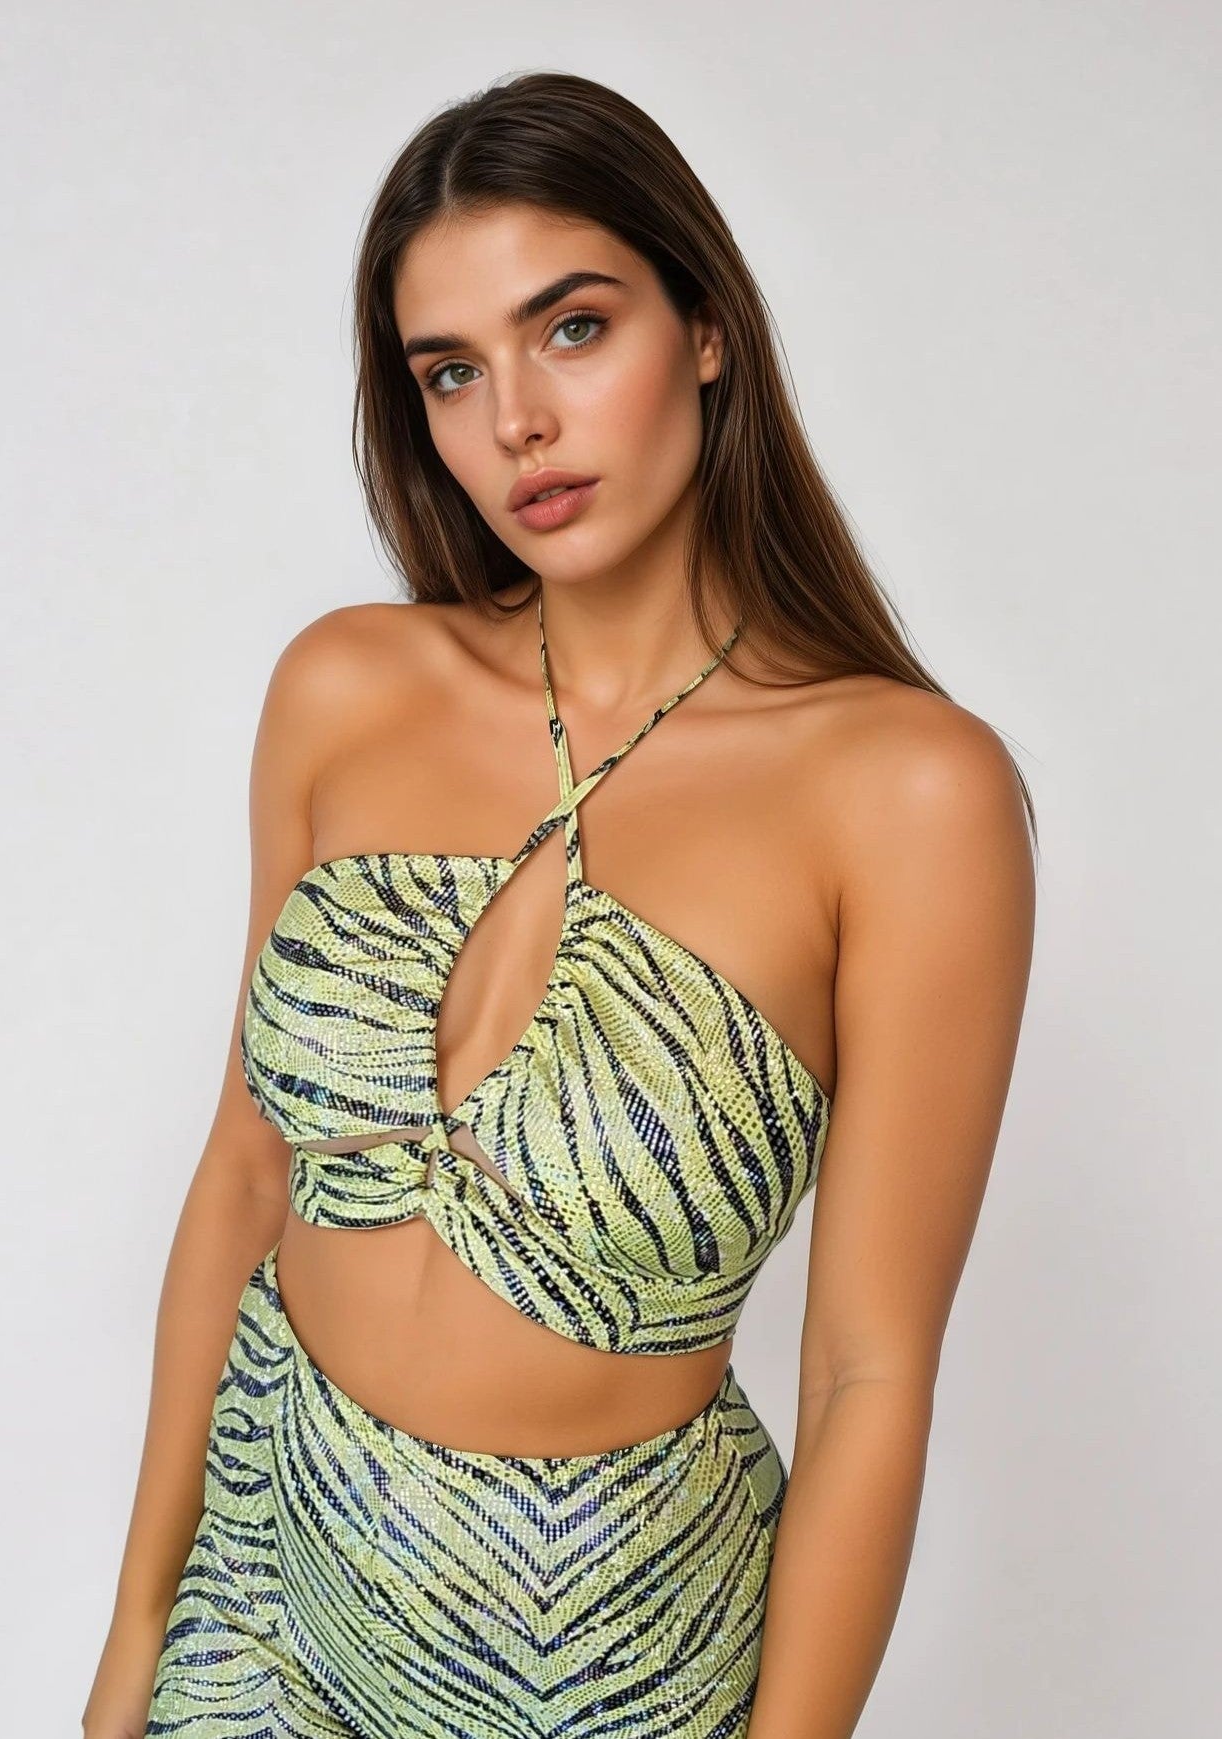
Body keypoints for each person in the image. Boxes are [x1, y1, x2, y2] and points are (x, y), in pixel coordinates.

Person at [84, 70, 1036, 1739]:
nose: (514, 420)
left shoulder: (906, 793)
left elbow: (867, 1373)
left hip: (614, 1666)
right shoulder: (345, 690)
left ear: (708, 329)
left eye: (572, 330)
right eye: (450, 371)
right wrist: (133, 1652)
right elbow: (244, 1174)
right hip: (264, 1605)